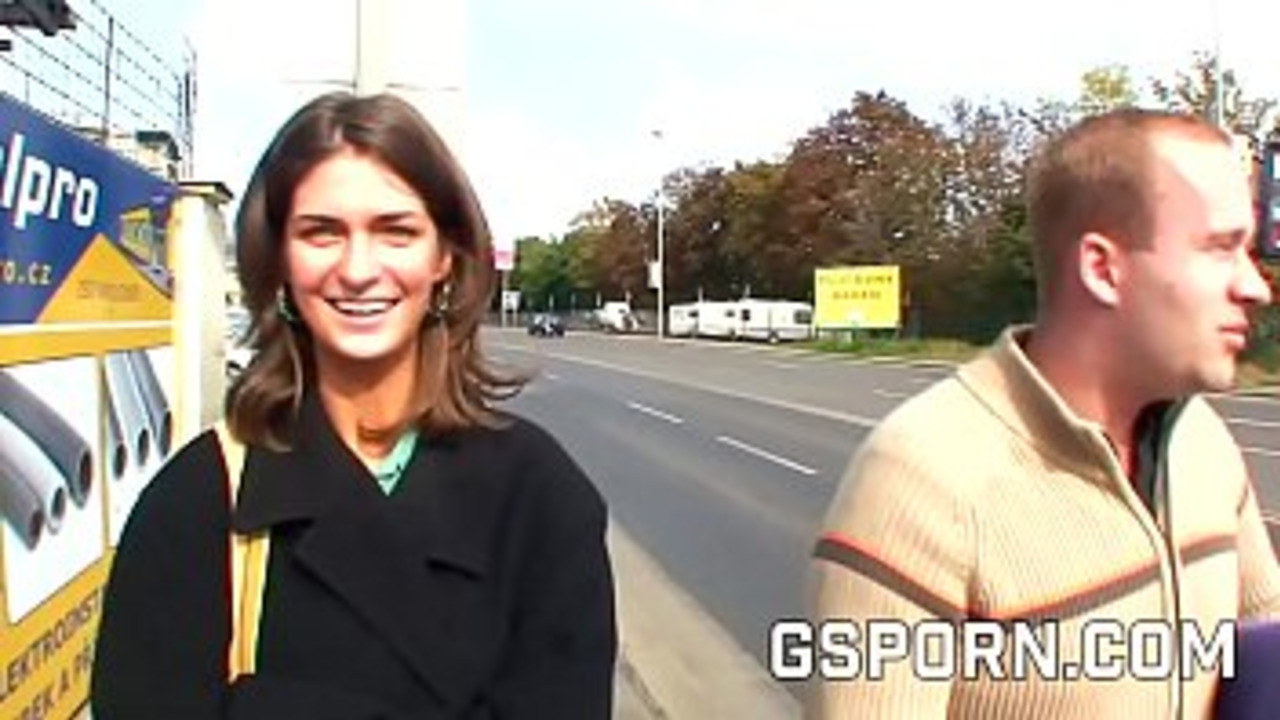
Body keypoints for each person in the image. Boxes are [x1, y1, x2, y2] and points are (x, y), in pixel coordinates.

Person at [91, 92, 617, 719]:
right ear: (280, 261)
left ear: (444, 258)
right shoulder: (201, 501)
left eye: (396, 231)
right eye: (322, 232)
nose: (359, 269)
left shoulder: (539, 496)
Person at [806, 108, 1280, 718]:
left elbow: (1264, 649)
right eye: (1219, 248)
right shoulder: (917, 481)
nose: (1256, 286)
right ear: (1103, 269)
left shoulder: (1201, 442)